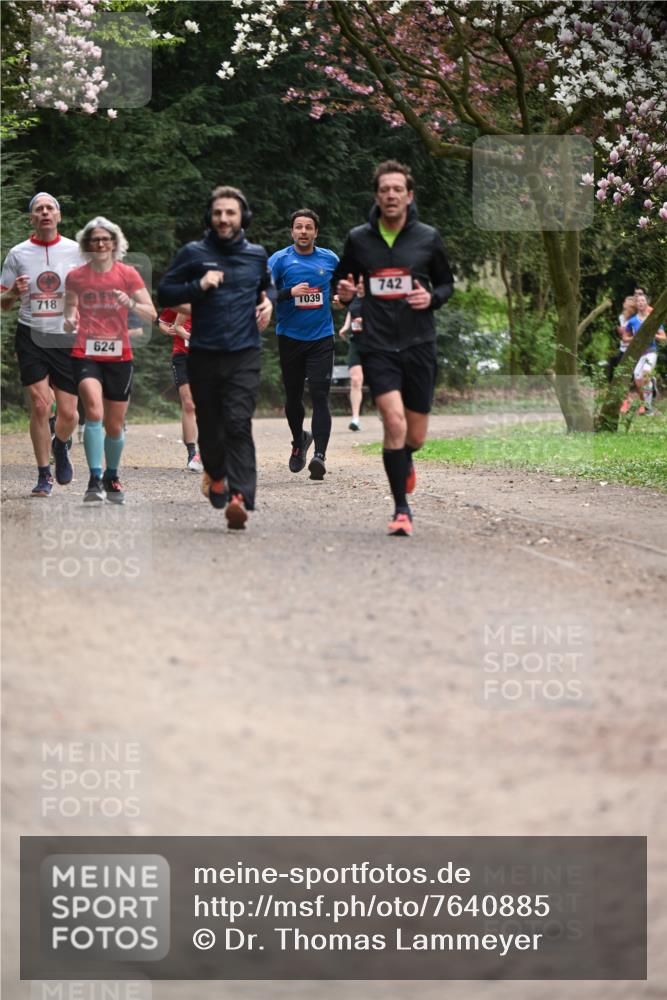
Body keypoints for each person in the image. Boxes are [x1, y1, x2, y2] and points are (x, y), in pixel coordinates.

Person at [334, 160, 454, 536]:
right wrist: (346, 293)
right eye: (384, 189)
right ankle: (402, 509)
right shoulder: (359, 239)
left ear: (409, 195)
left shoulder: (428, 238)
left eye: (397, 189)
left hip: (419, 342)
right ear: (376, 195)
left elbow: (447, 284)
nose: (390, 195)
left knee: (414, 437)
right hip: (378, 344)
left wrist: (430, 298)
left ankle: (405, 460)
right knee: (394, 423)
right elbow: (342, 282)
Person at [158, 185, 274, 530]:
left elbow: (267, 287)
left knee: (238, 422)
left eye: (231, 213)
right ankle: (217, 476)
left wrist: (268, 301)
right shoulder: (193, 253)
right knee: (209, 427)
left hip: (243, 352)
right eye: (218, 213)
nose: (224, 219)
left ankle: (239, 496)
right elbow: (165, 291)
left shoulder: (256, 255)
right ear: (210, 216)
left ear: (243, 218)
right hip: (204, 351)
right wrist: (200, 286)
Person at [64, 217, 156, 502]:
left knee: (114, 425)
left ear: (115, 244)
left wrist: (128, 303)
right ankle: (94, 479)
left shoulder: (128, 274)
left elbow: (151, 313)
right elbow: (70, 309)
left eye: (106, 239)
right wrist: (69, 321)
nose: (101, 244)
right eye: (95, 240)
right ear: (87, 245)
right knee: (93, 411)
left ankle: (111, 475)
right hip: (85, 352)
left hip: (119, 354)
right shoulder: (76, 276)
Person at [1, 193, 81, 496]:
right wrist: (11, 291)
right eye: (39, 209)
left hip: (65, 336)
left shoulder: (77, 250)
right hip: (31, 335)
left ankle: (60, 445)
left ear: (58, 216)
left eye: (50, 208)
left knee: (69, 414)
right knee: (39, 404)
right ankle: (43, 474)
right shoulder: (17, 253)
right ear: (31, 218)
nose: (45, 212)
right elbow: (3, 304)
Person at [268, 210, 340, 480]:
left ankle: (320, 456)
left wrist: (341, 299)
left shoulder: (330, 259)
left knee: (320, 396)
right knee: (293, 398)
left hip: (321, 337)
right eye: (298, 227)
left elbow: (344, 286)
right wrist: (290, 293)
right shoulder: (279, 260)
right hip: (290, 338)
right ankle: (299, 442)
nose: (303, 232)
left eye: (308, 227)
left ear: (316, 232)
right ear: (292, 231)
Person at [158, 306, 203, 471]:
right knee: (189, 403)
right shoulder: (181, 301)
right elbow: (162, 322)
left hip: (206, 356)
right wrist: (169, 330)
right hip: (182, 355)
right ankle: (192, 452)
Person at [620, 288, 665, 415]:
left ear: (646, 303)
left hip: (651, 351)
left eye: (643, 301)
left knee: (645, 375)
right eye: (638, 301)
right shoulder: (632, 321)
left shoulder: (653, 320)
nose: (640, 303)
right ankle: (652, 385)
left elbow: (664, 337)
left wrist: (653, 335)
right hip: (639, 354)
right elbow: (624, 338)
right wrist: (633, 338)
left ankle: (648, 409)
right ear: (636, 304)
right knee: (639, 382)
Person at [338, 295, 365, 431]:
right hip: (356, 343)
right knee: (355, 380)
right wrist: (346, 326)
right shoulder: (353, 298)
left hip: (376, 342)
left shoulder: (375, 296)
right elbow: (351, 311)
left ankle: (387, 412)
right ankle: (355, 419)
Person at [607, 294, 635, 383]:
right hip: (622, 347)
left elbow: (632, 335)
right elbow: (620, 333)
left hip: (630, 349)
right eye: (625, 304)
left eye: (629, 306)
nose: (626, 306)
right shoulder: (621, 317)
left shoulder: (633, 320)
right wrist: (620, 331)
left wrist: (626, 334)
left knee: (625, 371)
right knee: (613, 366)